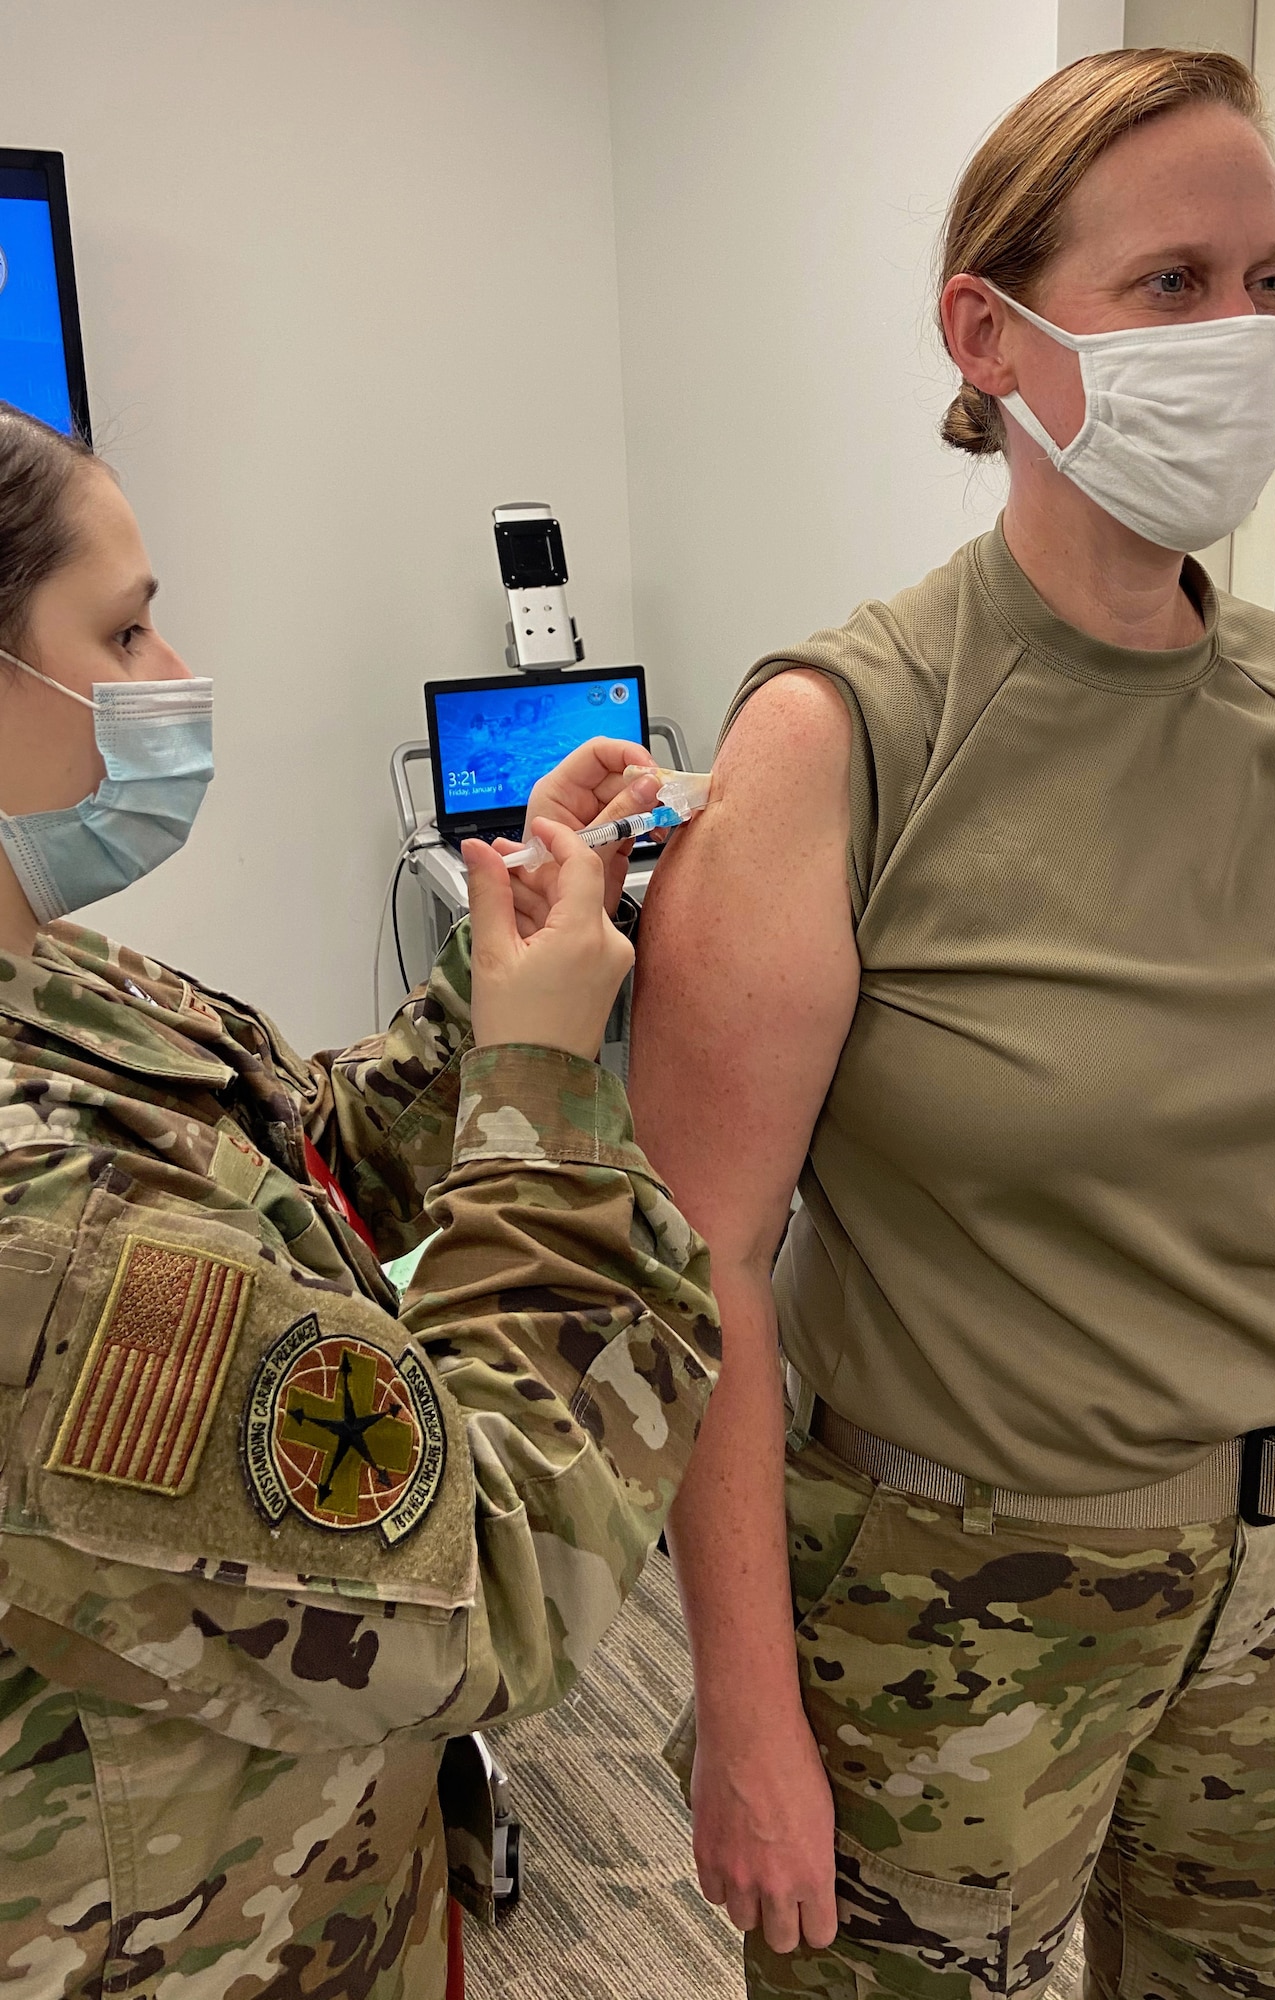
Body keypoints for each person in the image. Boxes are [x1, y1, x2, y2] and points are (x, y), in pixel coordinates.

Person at [630, 48, 1275, 2000]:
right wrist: (749, 1711)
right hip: (950, 1613)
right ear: (988, 333)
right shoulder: (841, 742)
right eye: (1171, 284)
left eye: (1266, 282)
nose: (1244, 339)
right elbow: (698, 1269)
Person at [0, 402, 719, 1998]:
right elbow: (487, 1573)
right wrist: (544, 1092)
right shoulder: (41, 1226)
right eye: (121, 630)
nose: (173, 667)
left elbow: (301, 1161)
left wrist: (500, 959)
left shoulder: (55, 975)